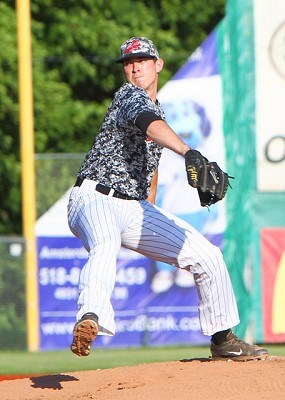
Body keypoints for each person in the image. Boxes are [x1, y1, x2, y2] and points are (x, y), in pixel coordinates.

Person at [67, 36, 268, 361]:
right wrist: (189, 152)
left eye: (142, 59)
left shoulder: (158, 111)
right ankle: (90, 317)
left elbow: (151, 161)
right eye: (129, 63)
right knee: (105, 243)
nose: (135, 66)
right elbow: (149, 124)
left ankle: (223, 339)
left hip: (133, 207)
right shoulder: (128, 98)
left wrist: (152, 211)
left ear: (158, 64)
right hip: (94, 198)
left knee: (208, 256)